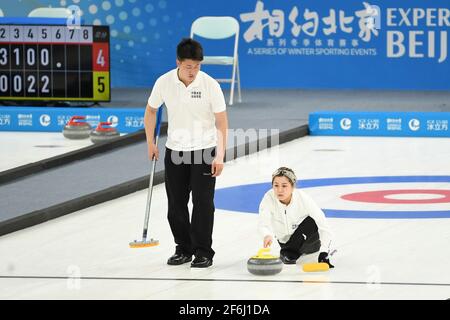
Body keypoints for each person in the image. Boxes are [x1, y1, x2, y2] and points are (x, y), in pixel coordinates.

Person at [144, 38, 228, 268]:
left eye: (197, 66)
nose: (193, 71)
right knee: (176, 204)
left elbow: (221, 122)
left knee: (203, 203)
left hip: (204, 150)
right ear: (178, 62)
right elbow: (151, 111)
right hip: (175, 151)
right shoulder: (164, 82)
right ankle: (183, 248)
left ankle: (203, 252)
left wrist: (219, 155)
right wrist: (150, 142)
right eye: (188, 66)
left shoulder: (210, 85)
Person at [258, 167, 335, 266]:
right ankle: (289, 252)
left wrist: (324, 251)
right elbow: (262, 223)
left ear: (292, 186)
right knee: (288, 248)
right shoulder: (269, 198)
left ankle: (290, 252)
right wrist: (266, 234)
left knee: (312, 221)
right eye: (276, 185)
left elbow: (324, 225)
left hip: (310, 241)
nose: (279, 190)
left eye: (284, 186)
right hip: (286, 244)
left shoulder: (303, 198)